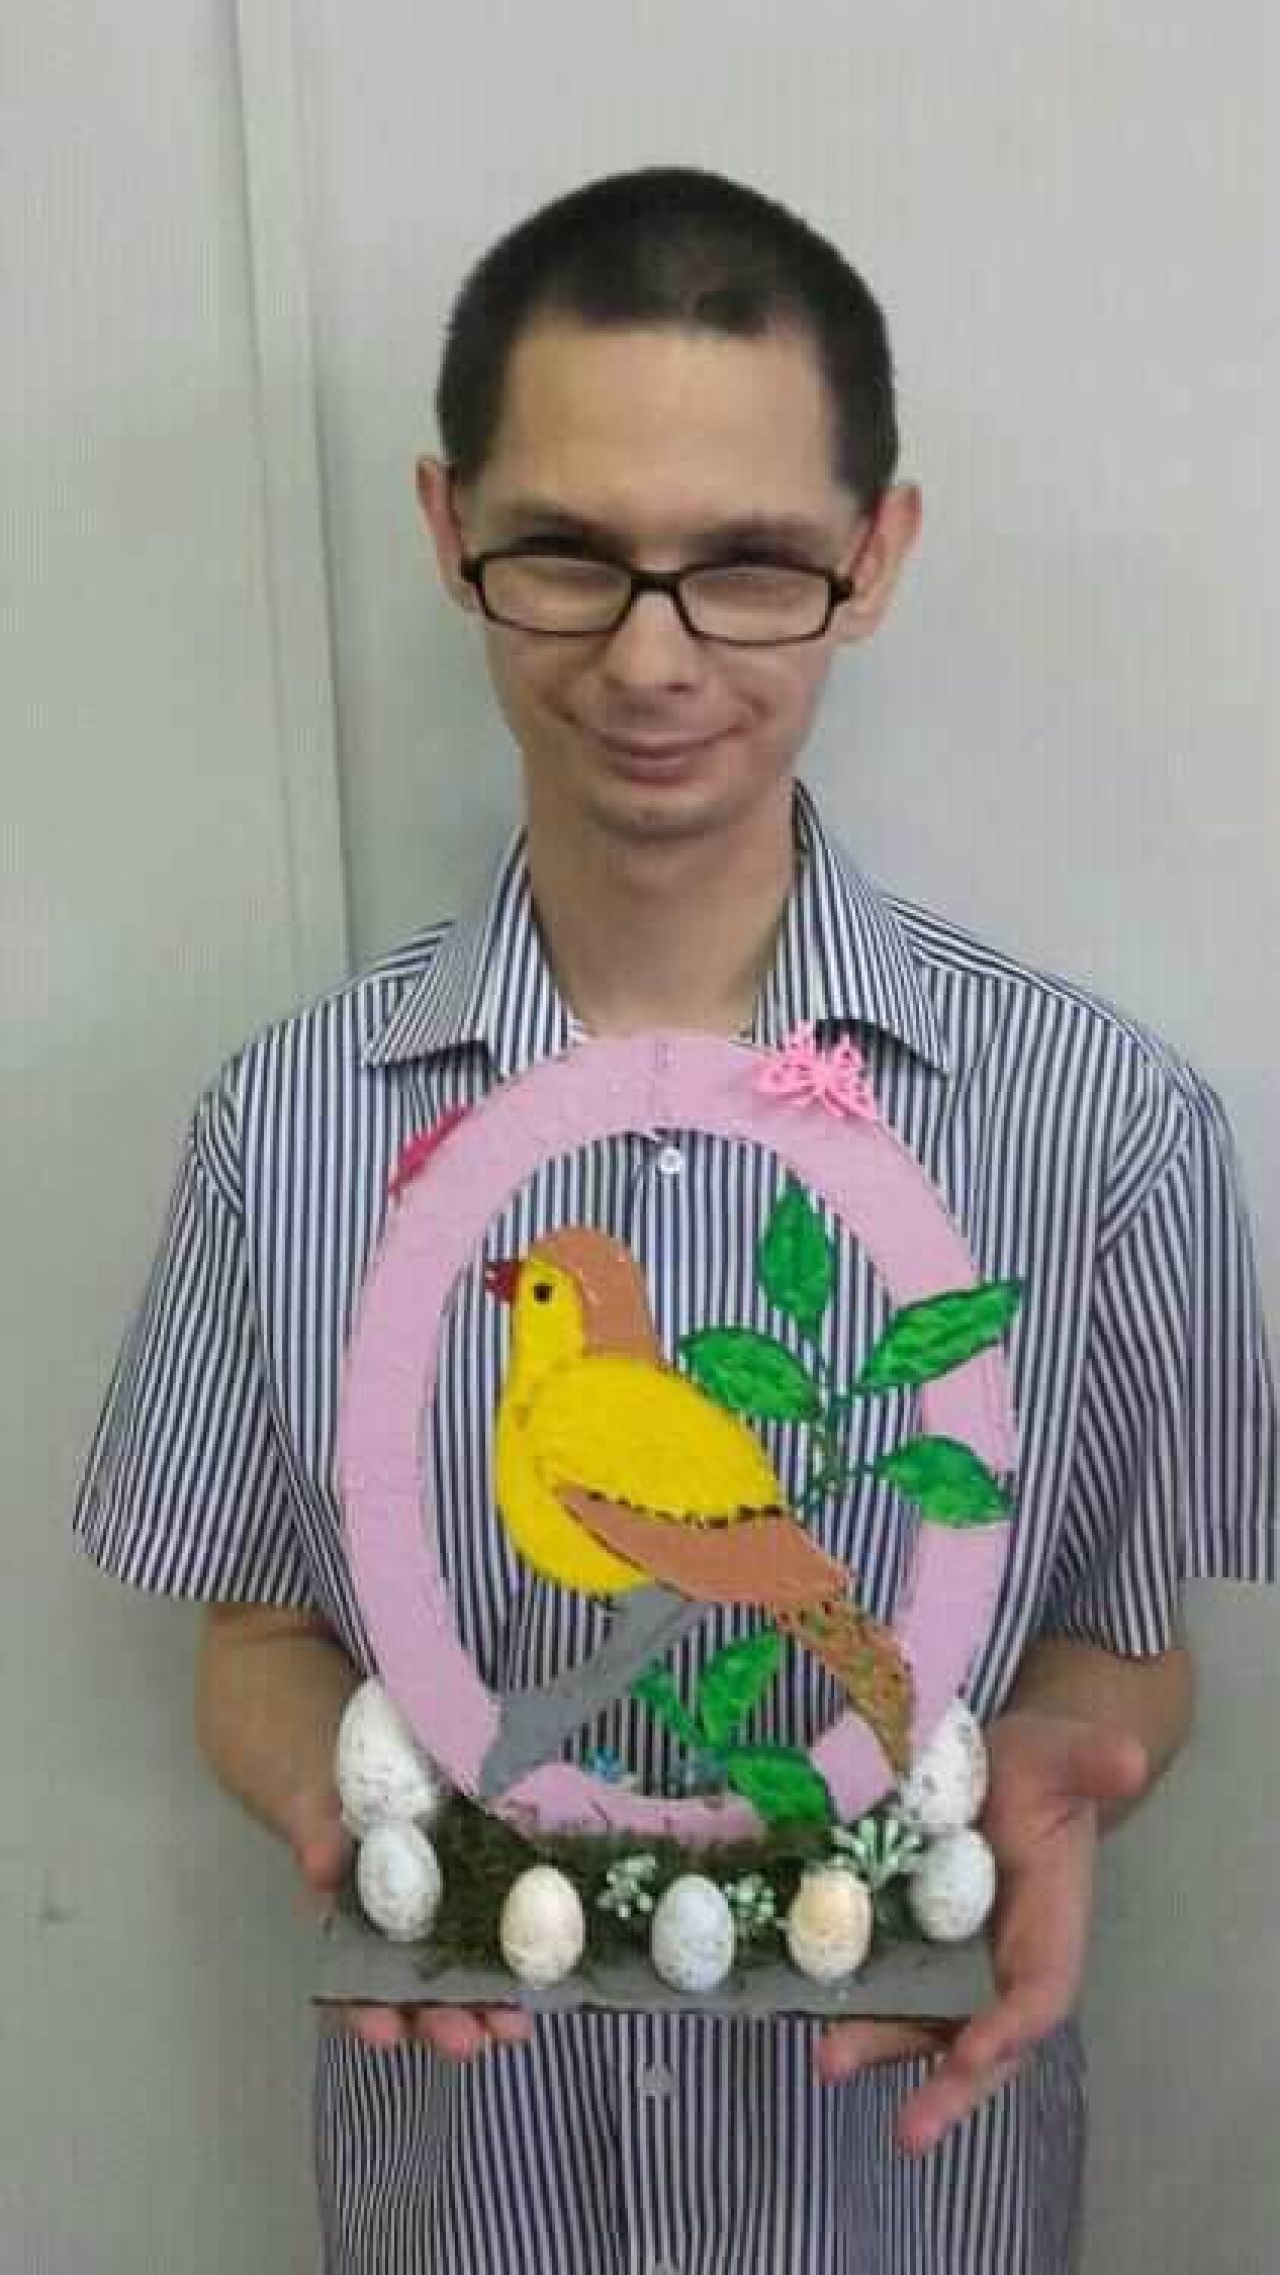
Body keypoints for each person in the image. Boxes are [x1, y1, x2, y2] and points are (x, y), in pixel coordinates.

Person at [74, 166, 1276, 2273]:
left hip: (906, 2194)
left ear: (871, 558)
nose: (651, 656)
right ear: (449, 529)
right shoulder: (284, 1131)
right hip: (464, 2198)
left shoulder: (1108, 1131)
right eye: (566, 553)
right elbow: (256, 1637)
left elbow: (1123, 1640)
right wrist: (344, 1811)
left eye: (747, 564)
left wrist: (1053, 1766)